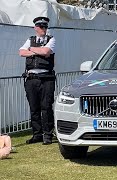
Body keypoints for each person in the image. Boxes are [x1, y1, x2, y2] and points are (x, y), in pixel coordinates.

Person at [18, 17, 56, 145]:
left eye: (45, 26)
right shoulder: (30, 39)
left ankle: (48, 134)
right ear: (36, 28)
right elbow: (21, 52)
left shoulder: (51, 39)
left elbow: (46, 51)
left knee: (46, 107)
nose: (43, 29)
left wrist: (31, 49)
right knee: (34, 108)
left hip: (46, 79)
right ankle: (37, 134)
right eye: (41, 27)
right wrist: (36, 51)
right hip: (31, 79)